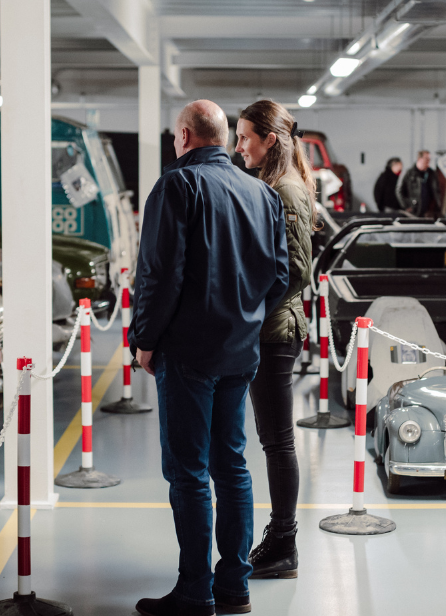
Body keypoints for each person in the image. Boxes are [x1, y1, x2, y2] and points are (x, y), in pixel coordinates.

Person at [129, 100, 289, 616]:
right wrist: (243, 320)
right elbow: (280, 277)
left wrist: (145, 340)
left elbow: (159, 274)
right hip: (240, 353)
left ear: (184, 135)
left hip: (189, 352)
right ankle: (235, 588)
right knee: (232, 466)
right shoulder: (262, 193)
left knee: (189, 472)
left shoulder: (177, 186)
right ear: (222, 138)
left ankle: (195, 591)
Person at [232, 99, 315, 581]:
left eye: (245, 137)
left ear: (270, 140)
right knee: (272, 437)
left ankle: (284, 542)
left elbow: (298, 270)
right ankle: (280, 537)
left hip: (273, 332)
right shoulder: (272, 183)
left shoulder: (284, 188)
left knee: (278, 439)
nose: (238, 146)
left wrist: (248, 308)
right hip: (268, 328)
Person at [396, 150, 440, 218]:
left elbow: (436, 191)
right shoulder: (408, 173)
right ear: (420, 159)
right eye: (426, 158)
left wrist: (437, 207)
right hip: (413, 211)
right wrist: (406, 205)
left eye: (429, 159)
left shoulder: (431, 174)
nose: (428, 161)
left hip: (428, 212)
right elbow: (399, 190)